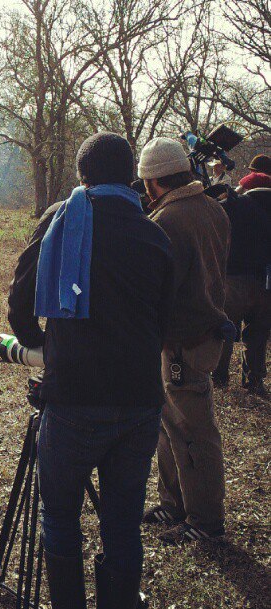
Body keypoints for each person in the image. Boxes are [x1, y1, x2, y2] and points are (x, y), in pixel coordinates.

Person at [8, 132, 174, 609]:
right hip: (141, 400)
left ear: (82, 177)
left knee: (59, 515)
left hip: (74, 397)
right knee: (122, 524)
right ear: (132, 178)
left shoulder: (60, 218)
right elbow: (163, 320)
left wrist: (42, 346)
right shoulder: (155, 234)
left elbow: (20, 298)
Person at [139, 137, 231, 545]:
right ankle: (174, 504)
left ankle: (205, 520)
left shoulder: (166, 222)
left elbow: (158, 292)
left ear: (154, 182)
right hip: (203, 334)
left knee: (194, 430)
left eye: (145, 183)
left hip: (183, 342)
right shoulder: (213, 207)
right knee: (171, 426)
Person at [211, 181, 271, 397]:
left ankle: (219, 378)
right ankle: (254, 380)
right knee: (258, 334)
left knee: (226, 330)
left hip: (233, 279)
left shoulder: (234, 206)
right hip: (265, 282)